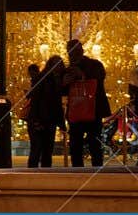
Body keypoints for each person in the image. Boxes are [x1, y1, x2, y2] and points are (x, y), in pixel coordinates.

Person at [63, 39, 110, 168]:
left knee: (93, 142)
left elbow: (99, 78)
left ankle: (95, 168)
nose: (72, 55)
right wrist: (65, 82)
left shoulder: (94, 65)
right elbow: (63, 91)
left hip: (92, 109)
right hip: (78, 110)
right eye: (70, 53)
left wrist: (82, 75)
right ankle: (79, 169)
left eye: (75, 52)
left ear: (81, 51)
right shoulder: (70, 69)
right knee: (76, 143)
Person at [26, 56, 66, 168]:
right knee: (39, 149)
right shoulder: (45, 79)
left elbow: (57, 105)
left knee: (45, 151)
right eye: (56, 65)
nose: (58, 68)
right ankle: (35, 174)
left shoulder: (55, 81)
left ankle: (41, 174)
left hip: (48, 120)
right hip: (40, 120)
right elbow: (36, 101)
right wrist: (36, 120)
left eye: (60, 65)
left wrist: (61, 123)